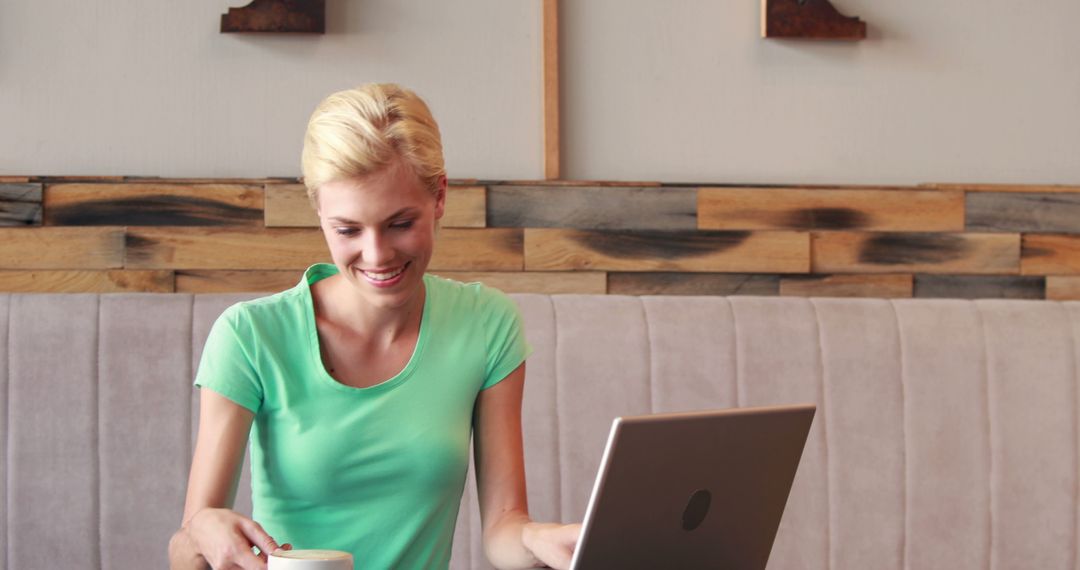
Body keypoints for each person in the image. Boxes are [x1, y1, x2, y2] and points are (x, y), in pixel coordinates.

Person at [168, 83, 582, 570]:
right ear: (319, 213)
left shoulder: (487, 326)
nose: (377, 255)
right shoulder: (250, 336)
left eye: (400, 223)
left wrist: (541, 540)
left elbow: (503, 527)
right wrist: (201, 531)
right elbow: (186, 549)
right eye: (347, 230)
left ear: (440, 197)